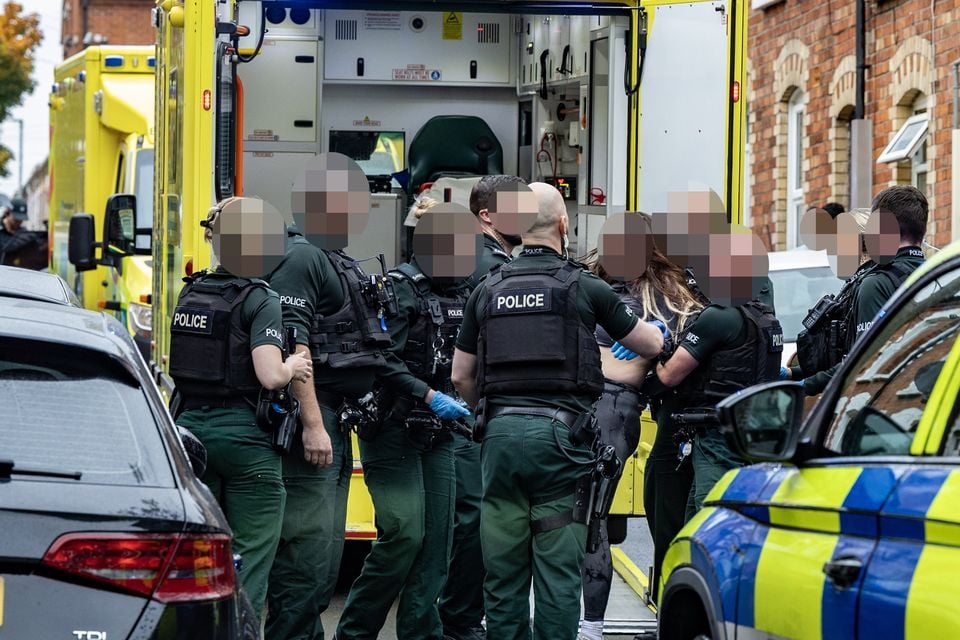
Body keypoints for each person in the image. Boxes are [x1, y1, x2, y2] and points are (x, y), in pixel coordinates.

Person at [451, 183, 665, 640]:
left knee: (503, 575)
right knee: (557, 573)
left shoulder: (487, 288)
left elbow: (460, 376)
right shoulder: (584, 286)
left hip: (500, 437)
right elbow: (649, 343)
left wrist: (487, 417)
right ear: (563, 224)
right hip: (560, 444)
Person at [264, 154, 392, 640]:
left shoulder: (331, 257)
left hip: (336, 421)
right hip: (311, 427)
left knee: (322, 560)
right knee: (304, 558)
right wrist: (314, 424)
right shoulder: (301, 258)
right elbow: (291, 346)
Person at [169, 197, 313, 623]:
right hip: (246, 440)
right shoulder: (260, 297)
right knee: (250, 557)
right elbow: (269, 375)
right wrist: (295, 365)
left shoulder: (190, 290)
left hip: (190, 434)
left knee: (201, 554)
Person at [335, 206, 472, 640]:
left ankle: (420, 633)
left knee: (437, 544)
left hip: (438, 432)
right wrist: (428, 395)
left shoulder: (462, 292)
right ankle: (354, 633)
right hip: (392, 426)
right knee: (404, 534)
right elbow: (379, 357)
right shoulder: (398, 290)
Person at [577, 235, 704, 633]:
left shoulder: (661, 299)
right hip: (609, 408)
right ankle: (584, 623)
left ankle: (590, 625)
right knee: (583, 519)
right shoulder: (669, 299)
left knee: (587, 519)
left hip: (607, 407)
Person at [640, 229, 783, 518]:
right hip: (752, 432)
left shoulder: (719, 316)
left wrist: (655, 346)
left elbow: (668, 377)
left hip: (717, 436)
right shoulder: (766, 318)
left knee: (708, 518)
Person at [439, 174, 526, 640]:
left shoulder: (494, 258)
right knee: (472, 517)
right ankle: (458, 618)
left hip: (475, 406)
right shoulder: (483, 263)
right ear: (487, 215)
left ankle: (460, 614)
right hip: (465, 408)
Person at [799, 186, 927, 396]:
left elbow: (864, 361)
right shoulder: (938, 274)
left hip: (880, 403)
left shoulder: (875, 283)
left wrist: (806, 385)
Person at [0, 199, 37, 264]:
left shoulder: (24, 235)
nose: (19, 222)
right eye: (16, 219)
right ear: (8, 212)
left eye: (21, 219)